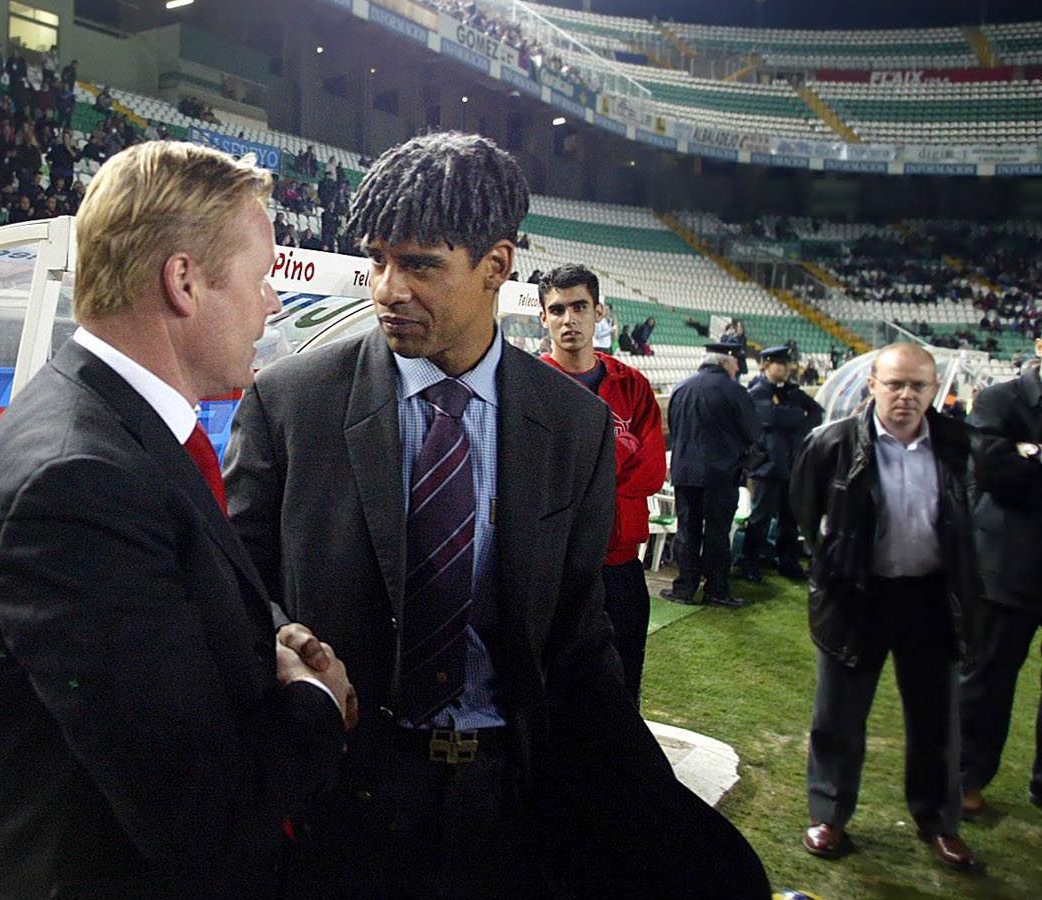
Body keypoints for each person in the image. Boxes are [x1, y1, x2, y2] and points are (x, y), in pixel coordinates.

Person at [224, 132, 769, 900]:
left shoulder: (572, 427)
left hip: (510, 799)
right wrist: (286, 641)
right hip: (343, 805)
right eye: (379, 259)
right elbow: (237, 587)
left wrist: (647, 805)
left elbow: (578, 639)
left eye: (419, 264)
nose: (386, 287)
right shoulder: (290, 402)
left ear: (497, 268)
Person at [0, 140, 355, 899]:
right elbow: (205, 815)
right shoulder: (78, 484)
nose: (272, 305)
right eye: (263, 279)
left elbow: (168, 596)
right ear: (185, 281)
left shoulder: (109, 427)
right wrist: (317, 701)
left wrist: (264, 635)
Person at [790, 343, 979, 870]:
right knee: (838, 715)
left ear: (933, 389)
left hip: (931, 599)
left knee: (937, 721)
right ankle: (829, 814)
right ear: (872, 384)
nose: (906, 396)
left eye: (918, 385)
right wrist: (836, 563)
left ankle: (938, 822)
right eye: (895, 384)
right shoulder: (830, 443)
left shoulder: (957, 443)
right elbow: (806, 512)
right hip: (857, 596)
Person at [538, 264, 665, 706]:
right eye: (557, 310)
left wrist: (579, 479)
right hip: (553, 566)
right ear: (543, 319)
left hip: (620, 564)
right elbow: (530, 477)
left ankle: (622, 772)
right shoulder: (526, 385)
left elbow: (651, 472)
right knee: (554, 685)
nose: (568, 319)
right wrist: (613, 464)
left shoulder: (633, 386)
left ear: (599, 313)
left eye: (579, 307)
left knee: (623, 681)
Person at [959, 337, 1042, 817]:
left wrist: (1031, 454)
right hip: (1008, 566)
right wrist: (1020, 459)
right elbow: (992, 469)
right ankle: (965, 778)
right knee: (988, 680)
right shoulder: (1001, 398)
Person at [659, 343, 761, 608]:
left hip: (685, 472)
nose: (738, 367)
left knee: (686, 531)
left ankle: (684, 588)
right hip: (720, 474)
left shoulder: (681, 388)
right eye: (736, 362)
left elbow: (673, 427)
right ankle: (716, 590)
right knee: (717, 533)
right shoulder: (734, 391)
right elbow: (752, 432)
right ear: (725, 362)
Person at [737, 345, 824, 583]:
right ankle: (750, 561)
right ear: (766, 365)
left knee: (790, 518)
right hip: (767, 466)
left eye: (787, 364)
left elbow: (817, 413)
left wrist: (792, 417)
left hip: (792, 464)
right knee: (760, 518)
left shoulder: (792, 391)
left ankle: (788, 561)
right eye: (779, 364)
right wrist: (797, 415)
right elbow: (770, 417)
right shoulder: (757, 390)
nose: (785, 369)